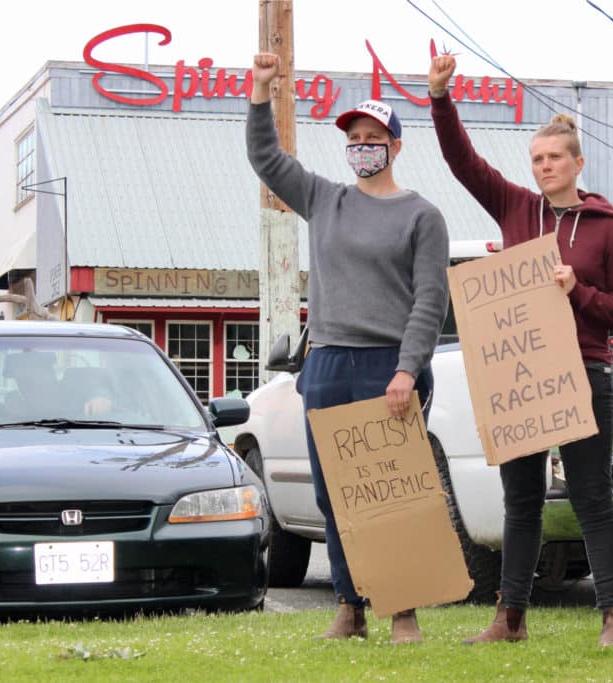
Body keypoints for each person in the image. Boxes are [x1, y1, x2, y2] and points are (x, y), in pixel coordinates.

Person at [428, 54, 613, 648]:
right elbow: (463, 164)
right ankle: (510, 618)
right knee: (519, 500)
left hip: (584, 372)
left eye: (554, 158)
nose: (545, 167)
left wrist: (582, 292)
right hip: (521, 375)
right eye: (537, 160)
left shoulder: (608, 230)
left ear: (578, 163)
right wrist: (442, 99)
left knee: (590, 496)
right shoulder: (518, 209)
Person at [247, 53, 449, 644]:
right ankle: (349, 604)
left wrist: (409, 371)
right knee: (334, 492)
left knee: (394, 491)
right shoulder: (323, 199)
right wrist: (261, 92)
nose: (362, 147)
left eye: (373, 138)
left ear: (395, 146)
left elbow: (429, 302)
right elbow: (266, 158)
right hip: (328, 361)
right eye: (355, 139)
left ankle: (403, 607)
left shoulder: (422, 216)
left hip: (389, 366)